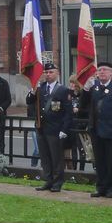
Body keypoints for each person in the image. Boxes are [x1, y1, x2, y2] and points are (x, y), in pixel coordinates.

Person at [25, 63, 72, 192]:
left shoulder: (63, 90)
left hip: (55, 129)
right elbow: (29, 101)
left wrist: (64, 130)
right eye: (46, 72)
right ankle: (48, 180)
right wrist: (33, 90)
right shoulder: (40, 88)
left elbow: (68, 113)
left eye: (51, 72)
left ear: (57, 73)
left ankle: (57, 183)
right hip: (41, 127)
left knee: (56, 158)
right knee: (45, 157)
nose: (48, 74)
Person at [87, 61, 112, 198]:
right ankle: (101, 187)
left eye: (105, 70)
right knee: (99, 161)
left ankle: (111, 188)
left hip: (111, 130)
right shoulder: (95, 88)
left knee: (111, 161)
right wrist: (85, 90)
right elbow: (85, 105)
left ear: (111, 73)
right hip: (96, 130)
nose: (102, 72)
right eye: (99, 70)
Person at [65, 75, 87, 171]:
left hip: (80, 124)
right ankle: (74, 170)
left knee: (81, 148)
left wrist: (78, 110)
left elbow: (87, 109)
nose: (71, 85)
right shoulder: (68, 94)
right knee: (73, 148)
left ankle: (81, 169)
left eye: (73, 83)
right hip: (71, 123)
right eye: (70, 83)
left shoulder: (82, 94)